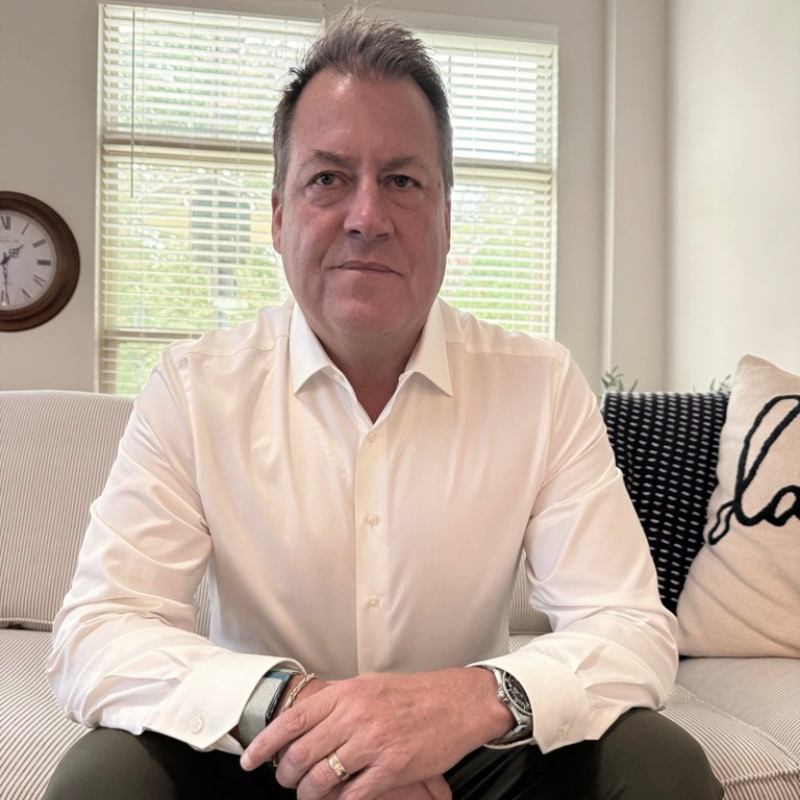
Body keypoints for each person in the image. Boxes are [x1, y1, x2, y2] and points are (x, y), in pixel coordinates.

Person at [45, 8, 723, 800]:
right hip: (261, 746)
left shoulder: (540, 386)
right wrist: (308, 712)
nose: (367, 217)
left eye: (402, 181)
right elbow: (101, 628)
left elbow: (630, 627)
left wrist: (472, 700)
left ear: (445, 217)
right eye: (328, 179)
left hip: (467, 748)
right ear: (276, 216)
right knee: (104, 778)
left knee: (658, 764)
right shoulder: (193, 388)